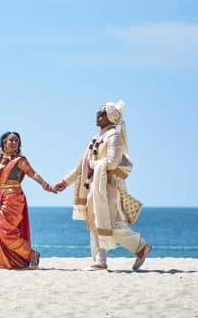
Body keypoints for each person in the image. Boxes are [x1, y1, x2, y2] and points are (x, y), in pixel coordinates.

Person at [54, 101, 152, 271]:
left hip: (107, 187)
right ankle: (100, 261)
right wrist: (65, 182)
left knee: (111, 224)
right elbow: (81, 166)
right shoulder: (95, 138)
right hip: (94, 187)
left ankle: (141, 247)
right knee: (94, 222)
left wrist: (95, 165)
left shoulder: (114, 136)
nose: (97, 115)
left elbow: (113, 162)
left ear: (111, 117)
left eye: (101, 113)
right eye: (98, 113)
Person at [0, 131, 55, 269]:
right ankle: (13, 261)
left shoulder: (20, 160)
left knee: (7, 233)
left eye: (16, 140)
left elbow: (33, 173)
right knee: (0, 232)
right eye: (11, 140)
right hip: (1, 196)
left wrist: (45, 185)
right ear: (4, 143)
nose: (14, 142)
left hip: (14, 197)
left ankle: (31, 254)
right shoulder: (0, 160)